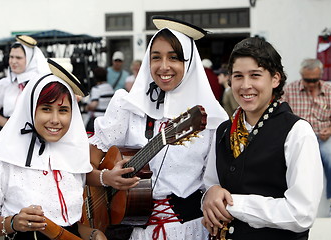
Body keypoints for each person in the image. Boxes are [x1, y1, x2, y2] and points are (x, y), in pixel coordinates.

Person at [86, 16, 228, 240]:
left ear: (189, 64)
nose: (164, 66)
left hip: (190, 231)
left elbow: (215, 183)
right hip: (134, 231)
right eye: (156, 57)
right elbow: (86, 166)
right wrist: (106, 178)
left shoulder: (212, 118)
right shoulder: (127, 106)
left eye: (174, 58)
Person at [202, 37, 323, 240]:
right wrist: (210, 194)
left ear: (275, 79)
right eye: (238, 76)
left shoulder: (297, 131)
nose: (245, 85)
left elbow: (301, 213)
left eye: (255, 75)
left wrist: (234, 205)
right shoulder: (224, 130)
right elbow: (212, 183)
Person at [0, 59, 106, 240]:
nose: (55, 119)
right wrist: (13, 222)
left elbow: (70, 226)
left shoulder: (75, 153)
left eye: (63, 110)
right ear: (31, 110)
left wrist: (93, 233)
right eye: (46, 109)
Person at [283, 58, 331, 217]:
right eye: (307, 80)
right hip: (298, 137)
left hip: (324, 136)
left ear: (321, 76)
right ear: (301, 75)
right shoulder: (289, 91)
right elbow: (281, 116)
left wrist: (330, 130)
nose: (311, 83)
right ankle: (288, 199)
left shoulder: (330, 91)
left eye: (314, 80)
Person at [0, 35, 49, 128]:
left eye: (18, 58)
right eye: (11, 57)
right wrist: (9, 126)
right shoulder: (5, 83)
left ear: (31, 59)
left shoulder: (42, 83)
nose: (13, 61)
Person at [85, 67, 114, 132]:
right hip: (107, 119)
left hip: (98, 119)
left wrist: (86, 107)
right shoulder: (110, 88)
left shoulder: (96, 89)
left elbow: (94, 105)